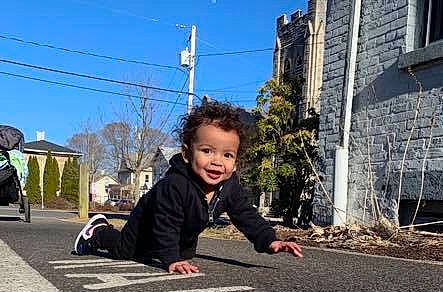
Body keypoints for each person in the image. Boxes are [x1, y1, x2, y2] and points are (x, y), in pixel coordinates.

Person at [73, 100, 303, 273]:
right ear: (186, 153)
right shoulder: (175, 185)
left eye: (227, 155)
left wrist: (270, 240)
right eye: (207, 151)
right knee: (127, 250)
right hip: (148, 221)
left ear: (236, 162)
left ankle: (169, 251)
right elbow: (166, 223)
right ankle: (99, 231)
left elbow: (246, 216)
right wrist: (171, 259)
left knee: (180, 254)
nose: (217, 161)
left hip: (182, 235)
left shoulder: (229, 186)